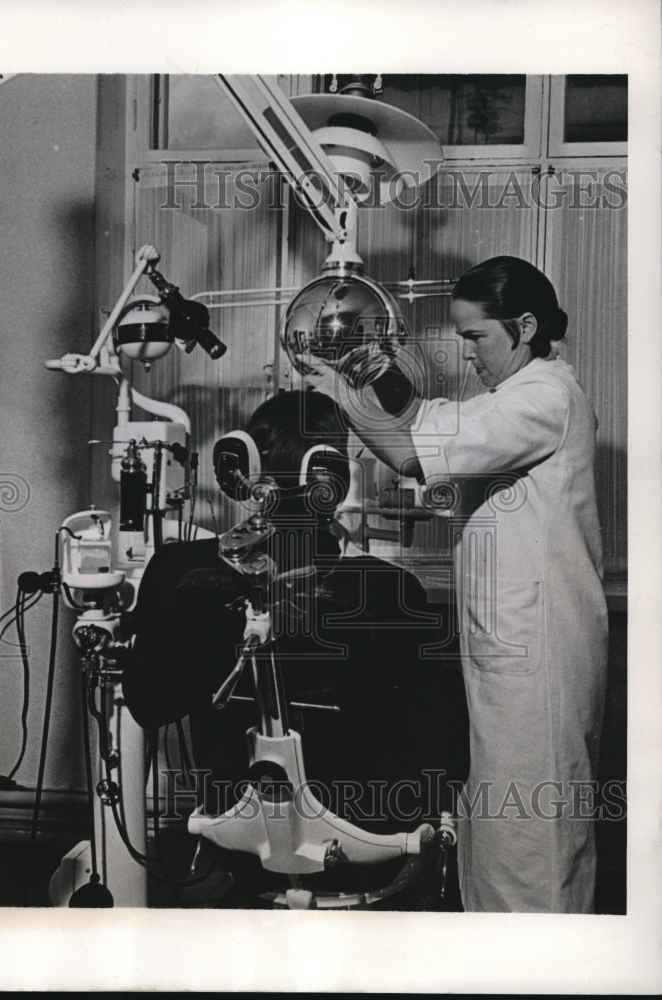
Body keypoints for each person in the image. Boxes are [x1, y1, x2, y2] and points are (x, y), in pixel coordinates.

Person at [302, 255, 609, 913]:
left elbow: (415, 453)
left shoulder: (546, 399)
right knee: (499, 828)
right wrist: (361, 372)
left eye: (476, 337)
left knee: (534, 836)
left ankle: (545, 972)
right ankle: (501, 962)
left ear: (525, 325)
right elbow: (428, 418)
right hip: (511, 648)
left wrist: (338, 397)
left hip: (540, 655)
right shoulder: (512, 398)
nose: (467, 353)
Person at [122, 389, 468, 904]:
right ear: (331, 475)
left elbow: (148, 704)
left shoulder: (175, 569)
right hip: (367, 838)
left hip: (235, 839)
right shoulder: (388, 589)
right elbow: (446, 753)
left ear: (243, 464)